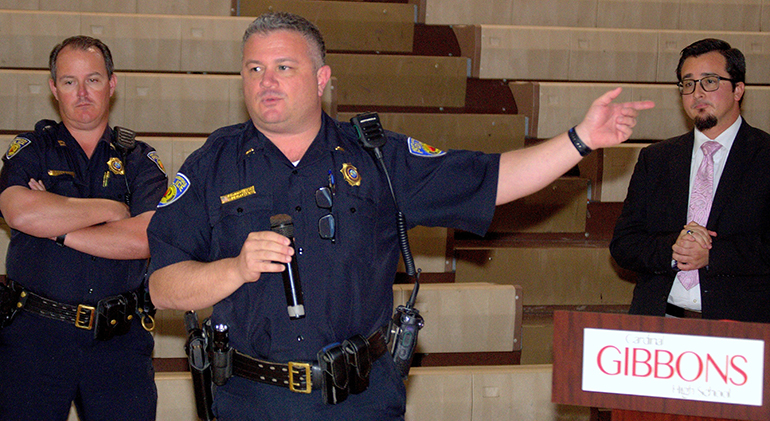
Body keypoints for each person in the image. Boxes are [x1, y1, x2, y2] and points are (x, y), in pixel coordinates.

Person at [146, 12, 653, 420]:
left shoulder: (376, 156)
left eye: (284, 67)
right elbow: (163, 286)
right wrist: (233, 269)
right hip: (252, 399)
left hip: (361, 398)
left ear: (322, 79)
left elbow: (493, 179)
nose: (266, 81)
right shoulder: (213, 163)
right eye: (254, 68)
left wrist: (580, 139)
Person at [0, 36, 167, 420]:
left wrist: (57, 226)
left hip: (118, 342)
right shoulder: (32, 149)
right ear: (53, 88)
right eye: (69, 81)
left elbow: (145, 238)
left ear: (112, 83)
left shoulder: (140, 160)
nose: (82, 93)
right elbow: (19, 214)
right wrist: (111, 209)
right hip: (34, 339)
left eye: (92, 80)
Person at [610, 38, 770, 323]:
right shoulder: (656, 159)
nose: (697, 93)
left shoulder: (764, 156)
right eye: (688, 84)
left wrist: (712, 255)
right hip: (660, 323)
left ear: (738, 89)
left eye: (709, 81)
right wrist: (675, 249)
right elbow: (624, 244)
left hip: (740, 330)